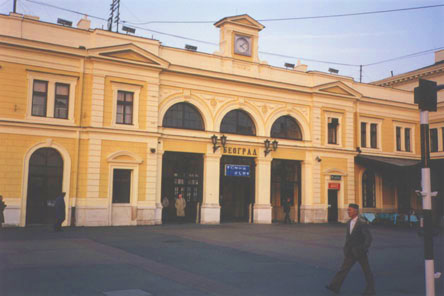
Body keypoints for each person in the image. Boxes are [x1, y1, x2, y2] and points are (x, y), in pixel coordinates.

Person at [326, 203, 375, 295]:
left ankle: (371, 290)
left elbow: (368, 238)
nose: (348, 212)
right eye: (348, 210)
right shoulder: (349, 222)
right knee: (343, 269)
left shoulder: (361, 223)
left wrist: (363, 248)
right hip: (351, 252)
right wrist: (346, 248)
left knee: (366, 271)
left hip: (360, 252)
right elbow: (349, 237)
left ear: (356, 211)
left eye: (350, 210)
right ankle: (334, 286)